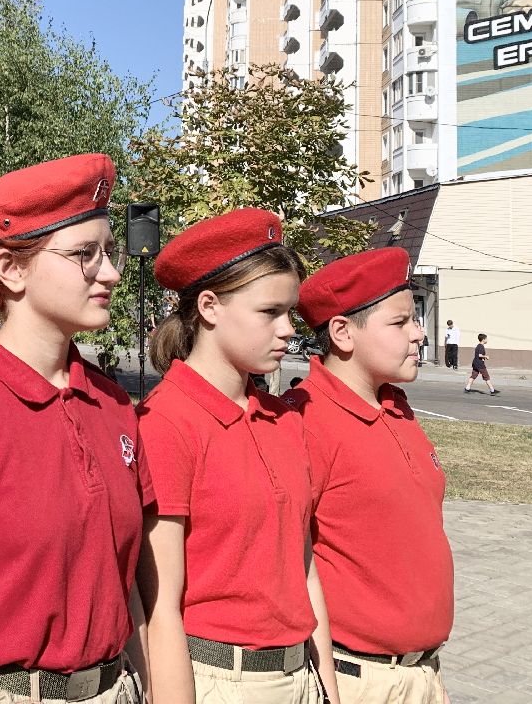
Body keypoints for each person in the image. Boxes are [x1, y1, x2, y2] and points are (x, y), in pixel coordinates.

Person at [0, 153, 152, 702]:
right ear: (10, 270)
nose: (109, 273)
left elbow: (129, 590)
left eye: (108, 252)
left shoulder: (114, 406)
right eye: (85, 255)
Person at [136, 208, 335, 704]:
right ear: (209, 306)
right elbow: (160, 606)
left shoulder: (284, 418)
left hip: (300, 675)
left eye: (289, 311)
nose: (288, 328)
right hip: (218, 680)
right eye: (269, 312)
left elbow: (304, 568)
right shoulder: (165, 422)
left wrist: (327, 688)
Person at [284, 248, 454, 704]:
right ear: (342, 332)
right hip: (357, 679)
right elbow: (290, 561)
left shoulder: (395, 404)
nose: (419, 334)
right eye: (400, 323)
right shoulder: (304, 419)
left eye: (414, 319)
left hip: (421, 673)